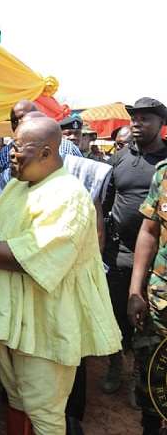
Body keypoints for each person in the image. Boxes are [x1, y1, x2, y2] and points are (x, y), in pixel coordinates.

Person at [0, 117, 121, 435]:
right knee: (17, 398)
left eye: (19, 147)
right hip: (16, 320)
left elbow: (29, 256)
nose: (10, 153)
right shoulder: (18, 186)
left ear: (47, 152)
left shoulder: (68, 195)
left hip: (48, 321)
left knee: (45, 411)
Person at [102, 97, 167, 398]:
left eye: (146, 119)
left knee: (146, 325)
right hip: (118, 255)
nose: (138, 124)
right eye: (135, 119)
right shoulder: (119, 160)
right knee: (115, 315)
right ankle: (116, 365)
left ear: (160, 124)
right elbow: (105, 204)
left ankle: (139, 378)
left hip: (156, 262)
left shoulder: (166, 163)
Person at [128, 159, 167, 434]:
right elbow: (149, 232)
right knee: (153, 375)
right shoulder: (164, 174)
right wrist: (134, 290)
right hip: (161, 300)